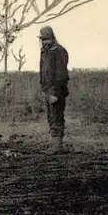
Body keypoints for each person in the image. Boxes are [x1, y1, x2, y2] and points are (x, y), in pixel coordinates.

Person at [38, 26, 69, 154]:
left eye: (46, 39)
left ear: (51, 38)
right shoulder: (45, 51)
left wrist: (55, 94)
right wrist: (45, 91)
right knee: (51, 117)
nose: (44, 42)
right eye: (43, 39)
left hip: (56, 91)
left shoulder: (59, 51)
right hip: (48, 90)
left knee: (56, 117)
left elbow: (61, 75)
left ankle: (57, 147)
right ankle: (55, 145)